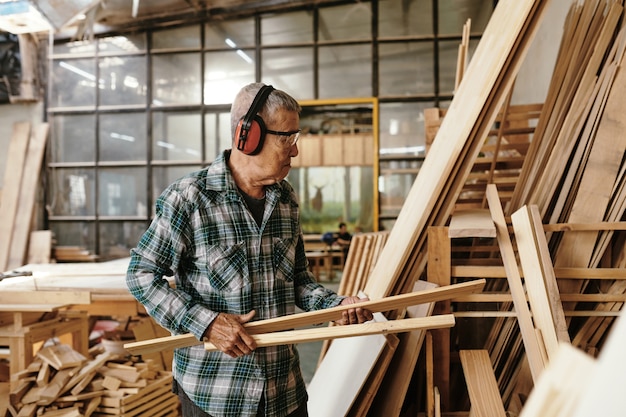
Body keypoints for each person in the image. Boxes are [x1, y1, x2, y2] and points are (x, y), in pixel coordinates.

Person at [126, 82, 373, 417]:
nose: (295, 150)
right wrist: (207, 323)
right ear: (248, 136)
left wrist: (337, 305)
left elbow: (299, 280)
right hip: (216, 393)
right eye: (288, 138)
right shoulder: (189, 198)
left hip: (284, 390)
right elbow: (141, 274)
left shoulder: (286, 200)